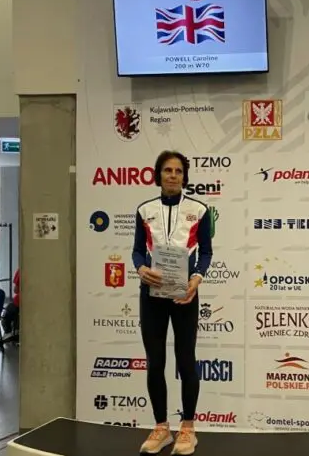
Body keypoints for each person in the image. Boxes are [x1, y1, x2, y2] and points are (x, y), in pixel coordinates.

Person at [132, 151, 212, 455]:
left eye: (178, 171)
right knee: (155, 362)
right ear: (159, 175)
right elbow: (137, 251)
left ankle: (188, 428)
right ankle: (161, 427)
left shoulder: (199, 210)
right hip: (151, 294)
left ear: (184, 176)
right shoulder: (144, 210)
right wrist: (140, 268)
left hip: (184, 295)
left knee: (186, 360)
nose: (173, 175)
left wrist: (197, 278)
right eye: (168, 170)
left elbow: (206, 252)